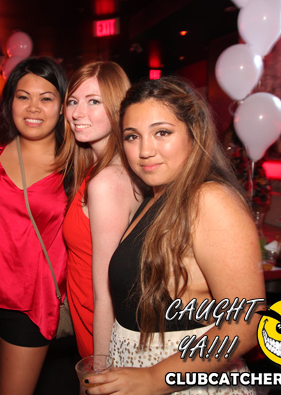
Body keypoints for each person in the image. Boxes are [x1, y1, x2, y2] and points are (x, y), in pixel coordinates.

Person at [86, 77, 265, 394]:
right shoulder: (156, 197)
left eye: (162, 133)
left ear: (193, 134)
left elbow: (247, 324)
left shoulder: (209, 200)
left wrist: (154, 377)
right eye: (132, 136)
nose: (144, 150)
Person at [0, 57, 69, 395]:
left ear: (62, 106)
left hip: (33, 302)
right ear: (10, 102)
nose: (33, 107)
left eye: (46, 98)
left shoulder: (76, 161)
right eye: (23, 96)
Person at [56, 61, 144, 359]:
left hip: (100, 324)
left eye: (94, 101)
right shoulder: (97, 171)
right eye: (73, 102)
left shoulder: (107, 182)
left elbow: (107, 292)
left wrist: (101, 363)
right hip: (88, 315)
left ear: (118, 108)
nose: (77, 113)